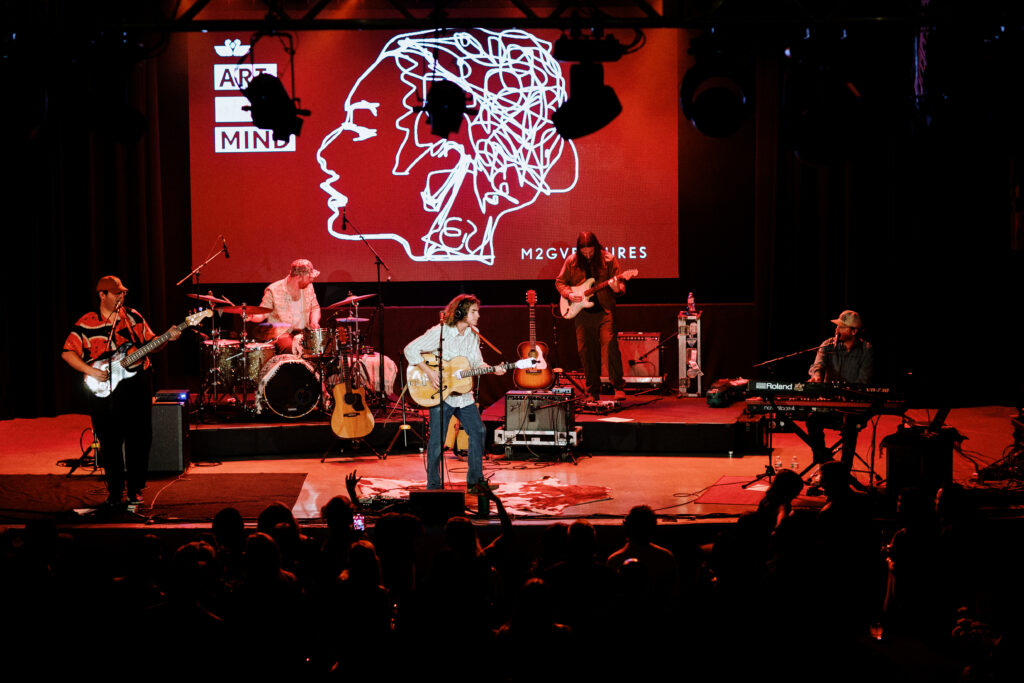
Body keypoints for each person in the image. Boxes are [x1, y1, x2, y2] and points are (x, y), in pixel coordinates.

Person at [61, 275, 181, 507]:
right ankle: (115, 491)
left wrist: (168, 337)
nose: (121, 297)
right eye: (117, 293)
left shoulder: (133, 317)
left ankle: (135, 489)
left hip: (137, 383)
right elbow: (67, 352)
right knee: (109, 440)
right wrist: (91, 371)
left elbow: (152, 343)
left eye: (123, 293)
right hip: (104, 386)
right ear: (102, 295)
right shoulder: (87, 322)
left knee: (140, 437)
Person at [403, 294, 505, 491]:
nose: (478, 316)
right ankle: (434, 485)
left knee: (478, 430)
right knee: (437, 440)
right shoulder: (440, 332)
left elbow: (476, 363)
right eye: (474, 312)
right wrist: (429, 372)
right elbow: (410, 350)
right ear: (460, 313)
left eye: (477, 312)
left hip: (463, 395)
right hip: (441, 394)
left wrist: (493, 369)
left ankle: (475, 482)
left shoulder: (474, 334)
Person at [555, 231, 626, 401]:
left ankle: (618, 386)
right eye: (584, 253)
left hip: (604, 311)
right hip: (582, 314)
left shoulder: (608, 259)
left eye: (591, 252)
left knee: (610, 345)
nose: (587, 255)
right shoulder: (571, 261)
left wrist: (617, 288)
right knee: (586, 351)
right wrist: (569, 294)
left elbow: (621, 285)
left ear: (596, 247)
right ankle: (592, 391)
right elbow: (560, 282)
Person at [806, 309, 875, 467]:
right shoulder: (828, 345)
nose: (837, 329)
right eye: (837, 326)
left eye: (842, 327)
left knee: (850, 425)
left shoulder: (866, 350)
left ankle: (844, 471)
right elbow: (818, 365)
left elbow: (863, 381)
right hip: (829, 407)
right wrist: (817, 376)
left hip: (852, 409)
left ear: (854, 331)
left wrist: (846, 394)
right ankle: (825, 464)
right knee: (812, 420)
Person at [250, 259, 322, 354]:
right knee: (290, 347)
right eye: (309, 277)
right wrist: (251, 316)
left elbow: (315, 308)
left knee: (322, 347)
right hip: (281, 334)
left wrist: (314, 322)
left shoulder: (308, 287)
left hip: (304, 332)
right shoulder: (273, 290)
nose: (311, 280)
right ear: (298, 277)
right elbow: (263, 314)